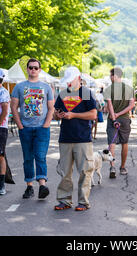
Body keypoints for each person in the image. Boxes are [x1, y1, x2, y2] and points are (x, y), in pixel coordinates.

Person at [53, 67, 97, 211]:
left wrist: (74, 115)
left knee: (85, 171)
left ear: (78, 78)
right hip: (65, 137)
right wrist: (57, 116)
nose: (69, 84)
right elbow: (55, 113)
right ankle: (64, 200)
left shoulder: (86, 93)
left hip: (83, 138)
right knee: (65, 171)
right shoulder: (63, 93)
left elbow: (93, 114)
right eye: (67, 81)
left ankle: (83, 202)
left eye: (70, 81)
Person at [11, 58, 54, 200]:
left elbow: (51, 108)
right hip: (26, 128)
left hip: (42, 128)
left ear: (39, 70)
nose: (33, 70)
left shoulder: (46, 87)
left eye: (36, 68)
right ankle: (29, 186)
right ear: (27, 69)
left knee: (40, 156)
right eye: (31, 67)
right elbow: (13, 107)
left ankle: (42, 185)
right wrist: (20, 125)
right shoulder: (19, 87)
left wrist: (46, 124)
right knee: (28, 158)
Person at [104, 67, 135, 178]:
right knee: (124, 143)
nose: (110, 77)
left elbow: (110, 106)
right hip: (125, 119)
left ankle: (112, 166)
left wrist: (114, 117)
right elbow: (131, 105)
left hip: (112, 119)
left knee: (111, 143)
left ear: (115, 76)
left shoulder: (108, 89)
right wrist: (120, 114)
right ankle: (122, 167)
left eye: (110, 75)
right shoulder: (129, 89)